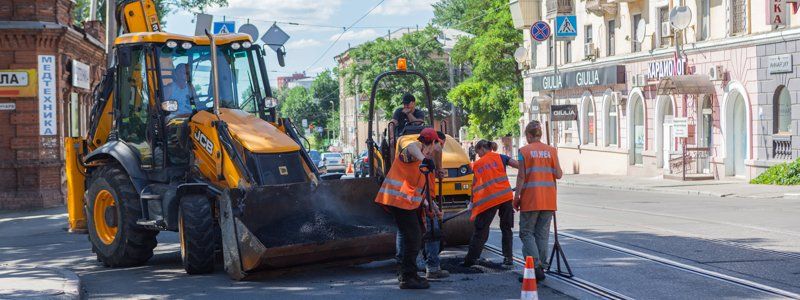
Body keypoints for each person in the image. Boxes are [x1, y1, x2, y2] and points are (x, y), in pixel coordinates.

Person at [375, 128, 446, 289]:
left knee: (415, 235)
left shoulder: (425, 161)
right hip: (398, 200)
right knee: (413, 236)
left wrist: (432, 206)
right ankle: (408, 277)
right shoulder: (415, 150)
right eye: (438, 145)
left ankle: (407, 273)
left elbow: (420, 188)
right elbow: (412, 148)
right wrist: (424, 159)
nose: (438, 149)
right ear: (433, 142)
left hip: (406, 202)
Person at [514, 120, 563, 282]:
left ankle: (535, 265)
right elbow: (559, 174)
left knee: (526, 233)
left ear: (529, 135)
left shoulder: (524, 151)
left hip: (530, 199)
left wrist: (516, 197)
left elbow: (521, 176)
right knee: (542, 234)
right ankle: (541, 266)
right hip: (549, 200)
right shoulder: (551, 150)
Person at [463, 140, 519, 268]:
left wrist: (472, 203)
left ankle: (471, 259)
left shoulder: (477, 164)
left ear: (482, 148)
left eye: (478, 153)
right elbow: (519, 166)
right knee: (506, 228)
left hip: (488, 201)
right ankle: (508, 258)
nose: (479, 156)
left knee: (480, 229)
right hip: (505, 197)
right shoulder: (501, 157)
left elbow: (474, 185)